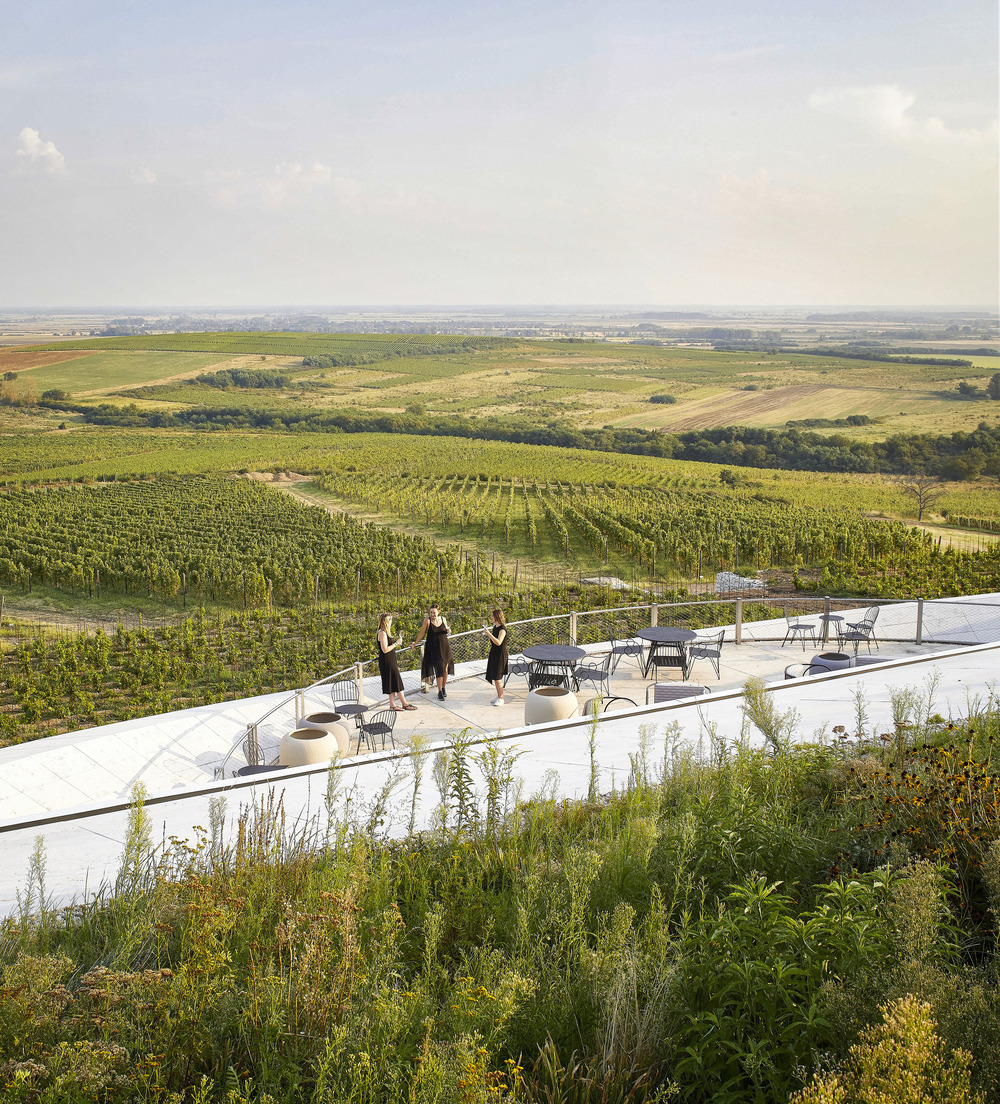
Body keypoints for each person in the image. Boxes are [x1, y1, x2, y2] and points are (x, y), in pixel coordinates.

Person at [376, 613, 416, 711]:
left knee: (392, 682)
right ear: (386, 622)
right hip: (387, 661)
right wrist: (396, 643)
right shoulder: (382, 633)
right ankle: (404, 703)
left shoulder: (384, 632)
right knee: (396, 681)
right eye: (390, 620)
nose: (391, 622)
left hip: (390, 660)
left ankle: (393, 705)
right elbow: (385, 649)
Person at [414, 602, 453, 700]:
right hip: (433, 649)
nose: (432, 615)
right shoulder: (427, 621)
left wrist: (448, 630)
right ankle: (439, 691)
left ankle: (443, 688)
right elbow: (422, 633)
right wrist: (414, 644)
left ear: (438, 612)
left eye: (434, 613)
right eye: (431, 612)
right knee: (439, 668)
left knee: (445, 669)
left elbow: (447, 629)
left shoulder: (443, 619)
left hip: (444, 647)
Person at [482, 608, 508, 706]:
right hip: (494, 654)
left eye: (492, 616)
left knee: (497, 678)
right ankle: (498, 695)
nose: (491, 617)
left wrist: (488, 634)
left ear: (497, 617)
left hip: (500, 655)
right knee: (495, 676)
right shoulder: (495, 628)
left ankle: (501, 698)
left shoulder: (502, 629)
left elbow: (498, 642)